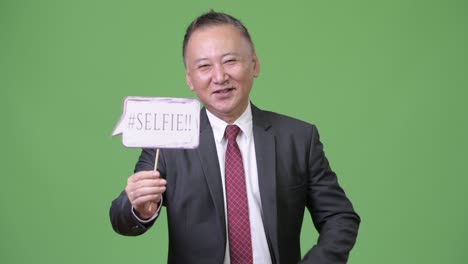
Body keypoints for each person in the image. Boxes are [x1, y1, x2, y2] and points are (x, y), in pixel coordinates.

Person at [110, 10, 360, 264]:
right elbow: (121, 217)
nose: (219, 77)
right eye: (204, 66)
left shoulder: (298, 139)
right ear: (190, 79)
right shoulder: (167, 141)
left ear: (254, 65)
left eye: (230, 61)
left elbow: (340, 217)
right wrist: (138, 207)